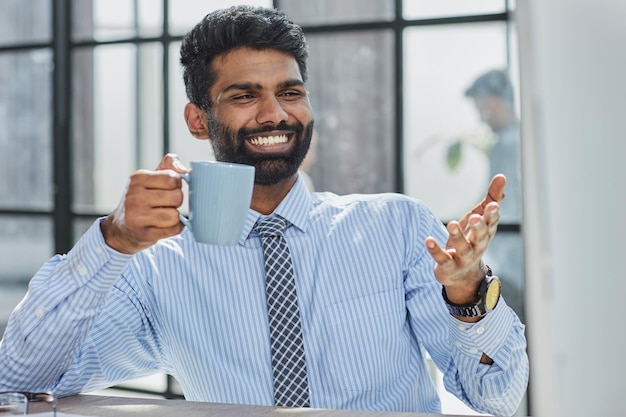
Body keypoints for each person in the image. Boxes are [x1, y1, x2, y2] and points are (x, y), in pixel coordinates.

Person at [0, 6, 528, 416]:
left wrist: (468, 295)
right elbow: (18, 379)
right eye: (244, 95)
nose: (275, 113)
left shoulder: (396, 226)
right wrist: (112, 241)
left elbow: (498, 398)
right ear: (198, 120)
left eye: (290, 92)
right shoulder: (158, 266)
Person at [465, 69, 525, 321]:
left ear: (493, 102)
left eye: (480, 108)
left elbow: (502, 204)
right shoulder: (519, 139)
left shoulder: (507, 145)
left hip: (511, 268)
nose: (480, 118)